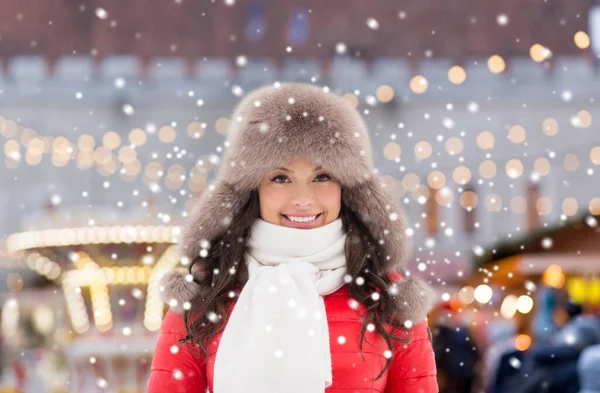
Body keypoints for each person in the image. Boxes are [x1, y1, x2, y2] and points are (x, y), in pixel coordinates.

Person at [147, 83, 438, 393]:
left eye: (322, 177)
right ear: (252, 189)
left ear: (348, 189)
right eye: (280, 178)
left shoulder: (388, 298)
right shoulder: (204, 297)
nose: (303, 199)